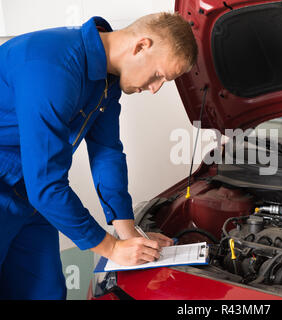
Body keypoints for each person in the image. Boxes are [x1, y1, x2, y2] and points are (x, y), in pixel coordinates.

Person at [0, 12, 198, 299]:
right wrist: (112, 248)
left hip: (29, 193)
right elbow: (45, 185)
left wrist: (128, 234)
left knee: (45, 292)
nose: (155, 89)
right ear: (141, 46)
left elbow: (107, 152)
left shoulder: (106, 82)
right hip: (19, 186)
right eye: (158, 76)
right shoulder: (53, 67)